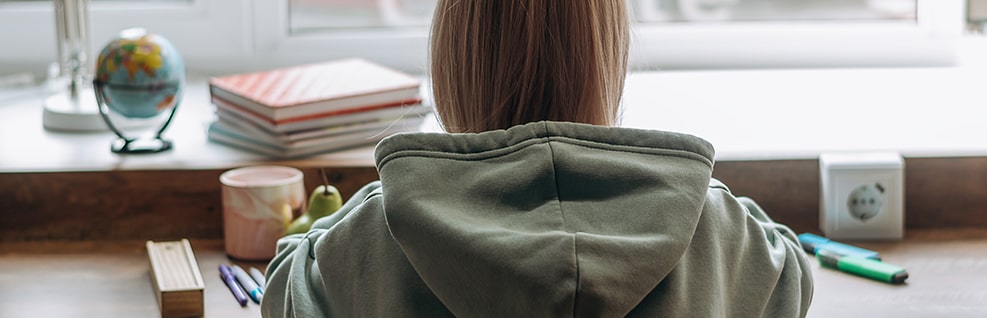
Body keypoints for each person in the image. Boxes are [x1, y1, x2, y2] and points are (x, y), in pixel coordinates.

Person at [261, 0, 814, 317]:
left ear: (449, 66)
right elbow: (791, 274)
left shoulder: (376, 233)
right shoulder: (714, 228)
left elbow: (286, 286)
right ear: (610, 61)